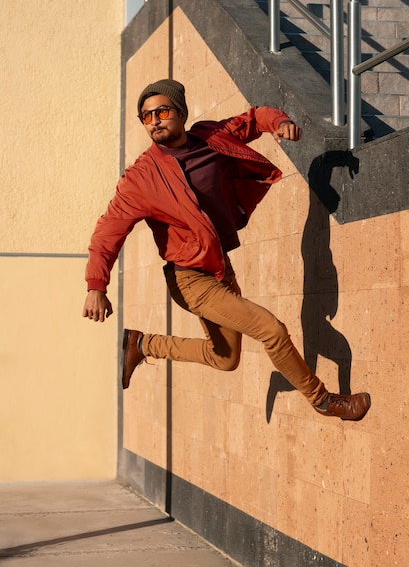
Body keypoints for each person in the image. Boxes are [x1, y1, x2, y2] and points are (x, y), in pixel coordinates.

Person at [82, 79, 371, 421]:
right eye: (146, 117)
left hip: (219, 268)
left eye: (162, 111)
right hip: (189, 280)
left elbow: (253, 118)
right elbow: (108, 232)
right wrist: (96, 287)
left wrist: (278, 123)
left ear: (182, 114)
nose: (155, 121)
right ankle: (325, 402)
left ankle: (143, 344)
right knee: (272, 330)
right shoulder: (141, 178)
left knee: (225, 358)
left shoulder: (210, 137)